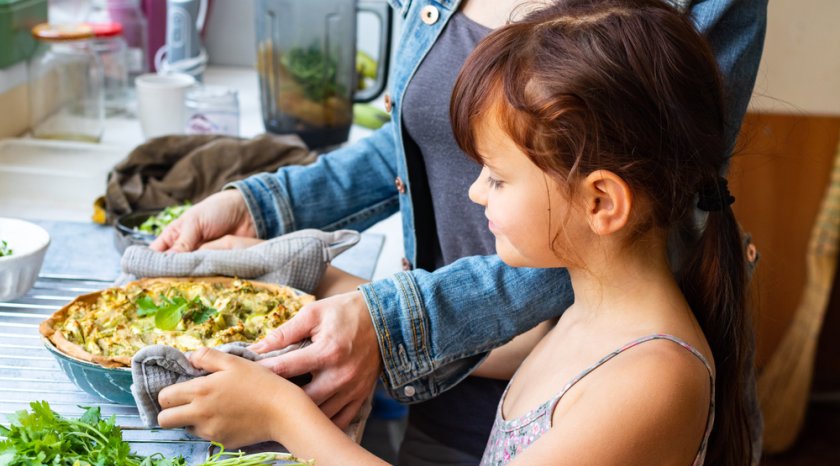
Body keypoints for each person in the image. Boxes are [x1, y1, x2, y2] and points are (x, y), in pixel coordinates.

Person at [151, 0, 767, 463]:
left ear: (602, 199)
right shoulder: (581, 318)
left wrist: (282, 414)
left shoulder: (652, 379)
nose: (474, 192)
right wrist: (307, 268)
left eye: (496, 177)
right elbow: (482, 354)